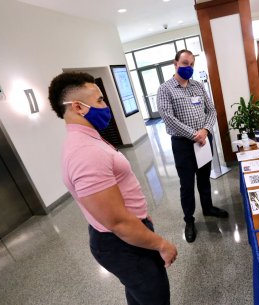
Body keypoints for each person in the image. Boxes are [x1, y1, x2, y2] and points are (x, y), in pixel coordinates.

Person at [48, 72, 177, 305]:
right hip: (121, 243)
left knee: (139, 293)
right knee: (154, 297)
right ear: (78, 106)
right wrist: (161, 243)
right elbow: (117, 222)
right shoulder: (85, 152)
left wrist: (142, 218)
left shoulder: (89, 140)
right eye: (99, 101)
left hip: (127, 235)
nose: (105, 106)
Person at [157, 49, 228, 243]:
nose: (189, 67)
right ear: (176, 64)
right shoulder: (165, 89)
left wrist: (205, 130)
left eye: (192, 64)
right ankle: (189, 220)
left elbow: (211, 110)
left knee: (204, 178)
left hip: (204, 140)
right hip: (183, 144)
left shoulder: (198, 86)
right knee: (187, 184)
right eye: (185, 63)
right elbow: (168, 118)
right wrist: (193, 135)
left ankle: (208, 208)